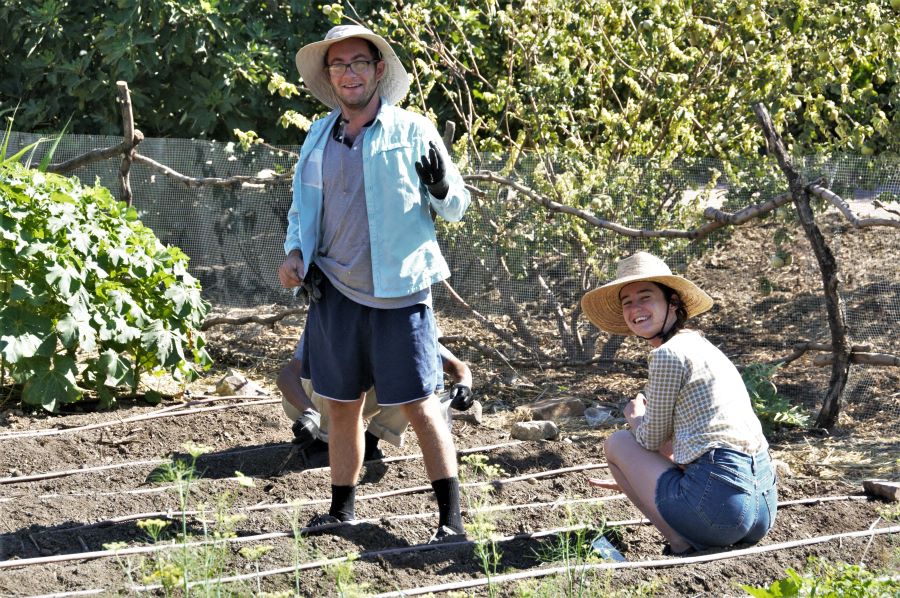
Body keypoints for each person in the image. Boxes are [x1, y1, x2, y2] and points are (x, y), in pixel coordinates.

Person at [278, 24, 471, 543]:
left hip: (399, 292)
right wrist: (295, 252)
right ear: (329, 76)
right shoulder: (318, 136)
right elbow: (301, 208)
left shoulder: (413, 130)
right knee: (339, 406)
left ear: (378, 70)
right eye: (338, 65)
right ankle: (343, 511)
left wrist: (439, 186)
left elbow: (456, 208)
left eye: (359, 62)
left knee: (421, 405)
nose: (349, 73)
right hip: (332, 291)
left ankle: (450, 522)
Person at [580, 252, 777, 556]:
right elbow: (691, 444)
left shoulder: (667, 354)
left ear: (672, 303)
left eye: (645, 297)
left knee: (619, 443)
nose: (636, 309)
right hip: (762, 509)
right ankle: (695, 528)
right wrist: (639, 477)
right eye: (627, 302)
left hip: (722, 511)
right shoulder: (702, 346)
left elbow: (649, 438)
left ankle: (680, 543)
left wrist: (635, 418)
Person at [278, 332, 475, 460]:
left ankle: (370, 441)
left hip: (357, 402)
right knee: (336, 366)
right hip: (304, 401)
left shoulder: (406, 331)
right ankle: (320, 443)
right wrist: (309, 412)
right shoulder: (334, 320)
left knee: (417, 376)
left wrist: (464, 386)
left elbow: (459, 368)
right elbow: (287, 376)